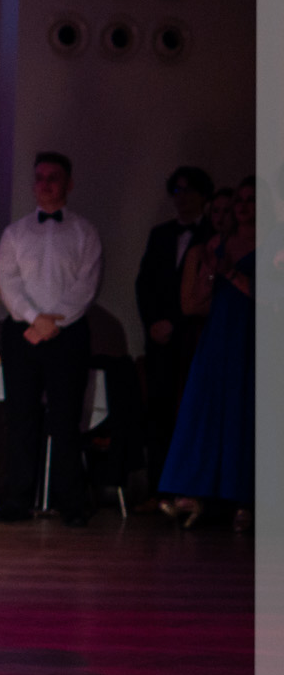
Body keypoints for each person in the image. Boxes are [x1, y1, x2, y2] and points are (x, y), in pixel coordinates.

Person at [0, 151, 104, 526]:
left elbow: (86, 286)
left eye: (53, 177)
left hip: (67, 335)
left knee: (66, 419)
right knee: (20, 418)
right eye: (39, 177)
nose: (45, 184)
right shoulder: (15, 233)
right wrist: (33, 319)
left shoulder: (85, 232)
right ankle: (17, 500)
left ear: (68, 184)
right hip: (22, 333)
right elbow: (8, 282)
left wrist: (52, 322)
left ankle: (70, 501)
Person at [159, 176, 256, 531]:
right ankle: (193, 493)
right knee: (205, 411)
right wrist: (209, 274)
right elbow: (196, 301)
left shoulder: (273, 243)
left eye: (250, 200)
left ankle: (246, 500)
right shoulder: (216, 244)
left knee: (246, 413)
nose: (242, 207)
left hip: (254, 333)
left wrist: (230, 272)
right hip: (219, 334)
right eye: (239, 200)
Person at [136, 165, 215, 493]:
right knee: (158, 411)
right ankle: (158, 487)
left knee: (191, 410)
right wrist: (153, 323)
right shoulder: (161, 234)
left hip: (192, 336)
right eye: (178, 191)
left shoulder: (212, 235)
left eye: (189, 191)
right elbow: (144, 284)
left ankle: (191, 489)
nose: (182, 198)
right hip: (159, 339)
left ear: (204, 196)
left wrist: (175, 322)